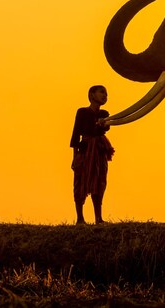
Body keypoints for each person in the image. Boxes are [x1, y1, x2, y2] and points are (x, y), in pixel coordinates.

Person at [69, 85, 115, 225]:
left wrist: (103, 123)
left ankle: (98, 218)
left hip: (99, 151)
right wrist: (75, 156)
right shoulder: (82, 112)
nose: (105, 95)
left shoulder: (104, 114)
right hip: (85, 149)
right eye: (101, 92)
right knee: (80, 182)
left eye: (106, 93)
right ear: (91, 95)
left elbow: (106, 127)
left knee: (99, 182)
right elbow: (76, 133)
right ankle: (80, 219)